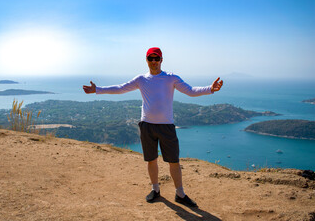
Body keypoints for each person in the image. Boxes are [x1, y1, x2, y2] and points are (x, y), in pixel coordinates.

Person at [83, 47, 223, 207]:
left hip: (166, 127)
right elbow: (121, 88)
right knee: (151, 160)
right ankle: (155, 190)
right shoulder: (141, 79)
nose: (154, 61)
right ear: (147, 60)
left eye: (157, 58)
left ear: (162, 60)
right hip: (147, 125)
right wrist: (97, 90)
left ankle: (180, 193)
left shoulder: (171, 78)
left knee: (174, 162)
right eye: (151, 58)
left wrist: (210, 89)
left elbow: (190, 91)